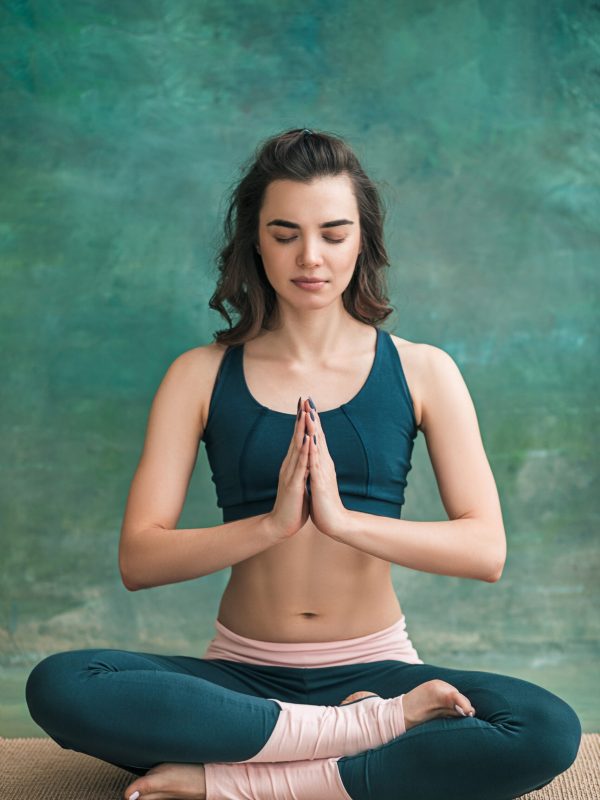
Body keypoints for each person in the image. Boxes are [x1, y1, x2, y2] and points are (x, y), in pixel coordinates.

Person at [25, 127, 581, 800]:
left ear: (364, 240)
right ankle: (361, 735)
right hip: (240, 678)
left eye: (333, 233)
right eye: (284, 233)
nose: (310, 257)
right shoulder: (198, 375)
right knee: (59, 685)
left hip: (377, 666)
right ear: (255, 241)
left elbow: (484, 548)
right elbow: (140, 561)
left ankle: (244, 780)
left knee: (546, 729)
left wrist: (343, 521)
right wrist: (271, 525)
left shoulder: (423, 370)